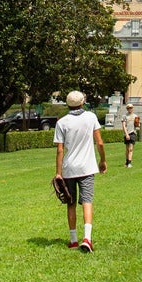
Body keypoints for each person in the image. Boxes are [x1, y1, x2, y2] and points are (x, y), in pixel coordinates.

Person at [53, 90, 106, 252]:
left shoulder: (62, 122)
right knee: (87, 202)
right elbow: (100, 143)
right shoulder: (90, 117)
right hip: (87, 167)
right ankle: (87, 238)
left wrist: (58, 172)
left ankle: (74, 239)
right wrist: (103, 160)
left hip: (69, 168)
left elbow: (60, 150)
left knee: (71, 204)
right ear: (82, 102)